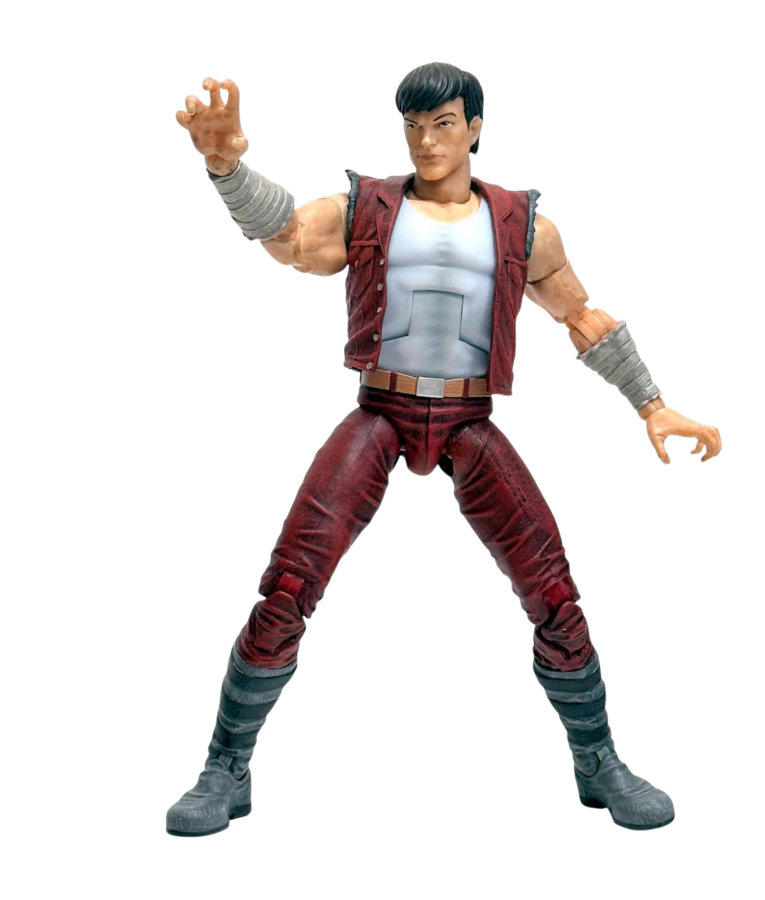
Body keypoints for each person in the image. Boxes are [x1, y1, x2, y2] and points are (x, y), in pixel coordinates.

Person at [167, 62, 722, 836]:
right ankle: (224, 769)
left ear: (475, 128)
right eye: (414, 125)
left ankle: (599, 763)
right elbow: (287, 236)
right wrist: (227, 166)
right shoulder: (368, 208)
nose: (427, 141)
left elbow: (583, 318)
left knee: (555, 594)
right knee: (289, 583)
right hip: (382, 408)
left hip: (469, 418)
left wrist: (652, 404)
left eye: (444, 124)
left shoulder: (522, 226)